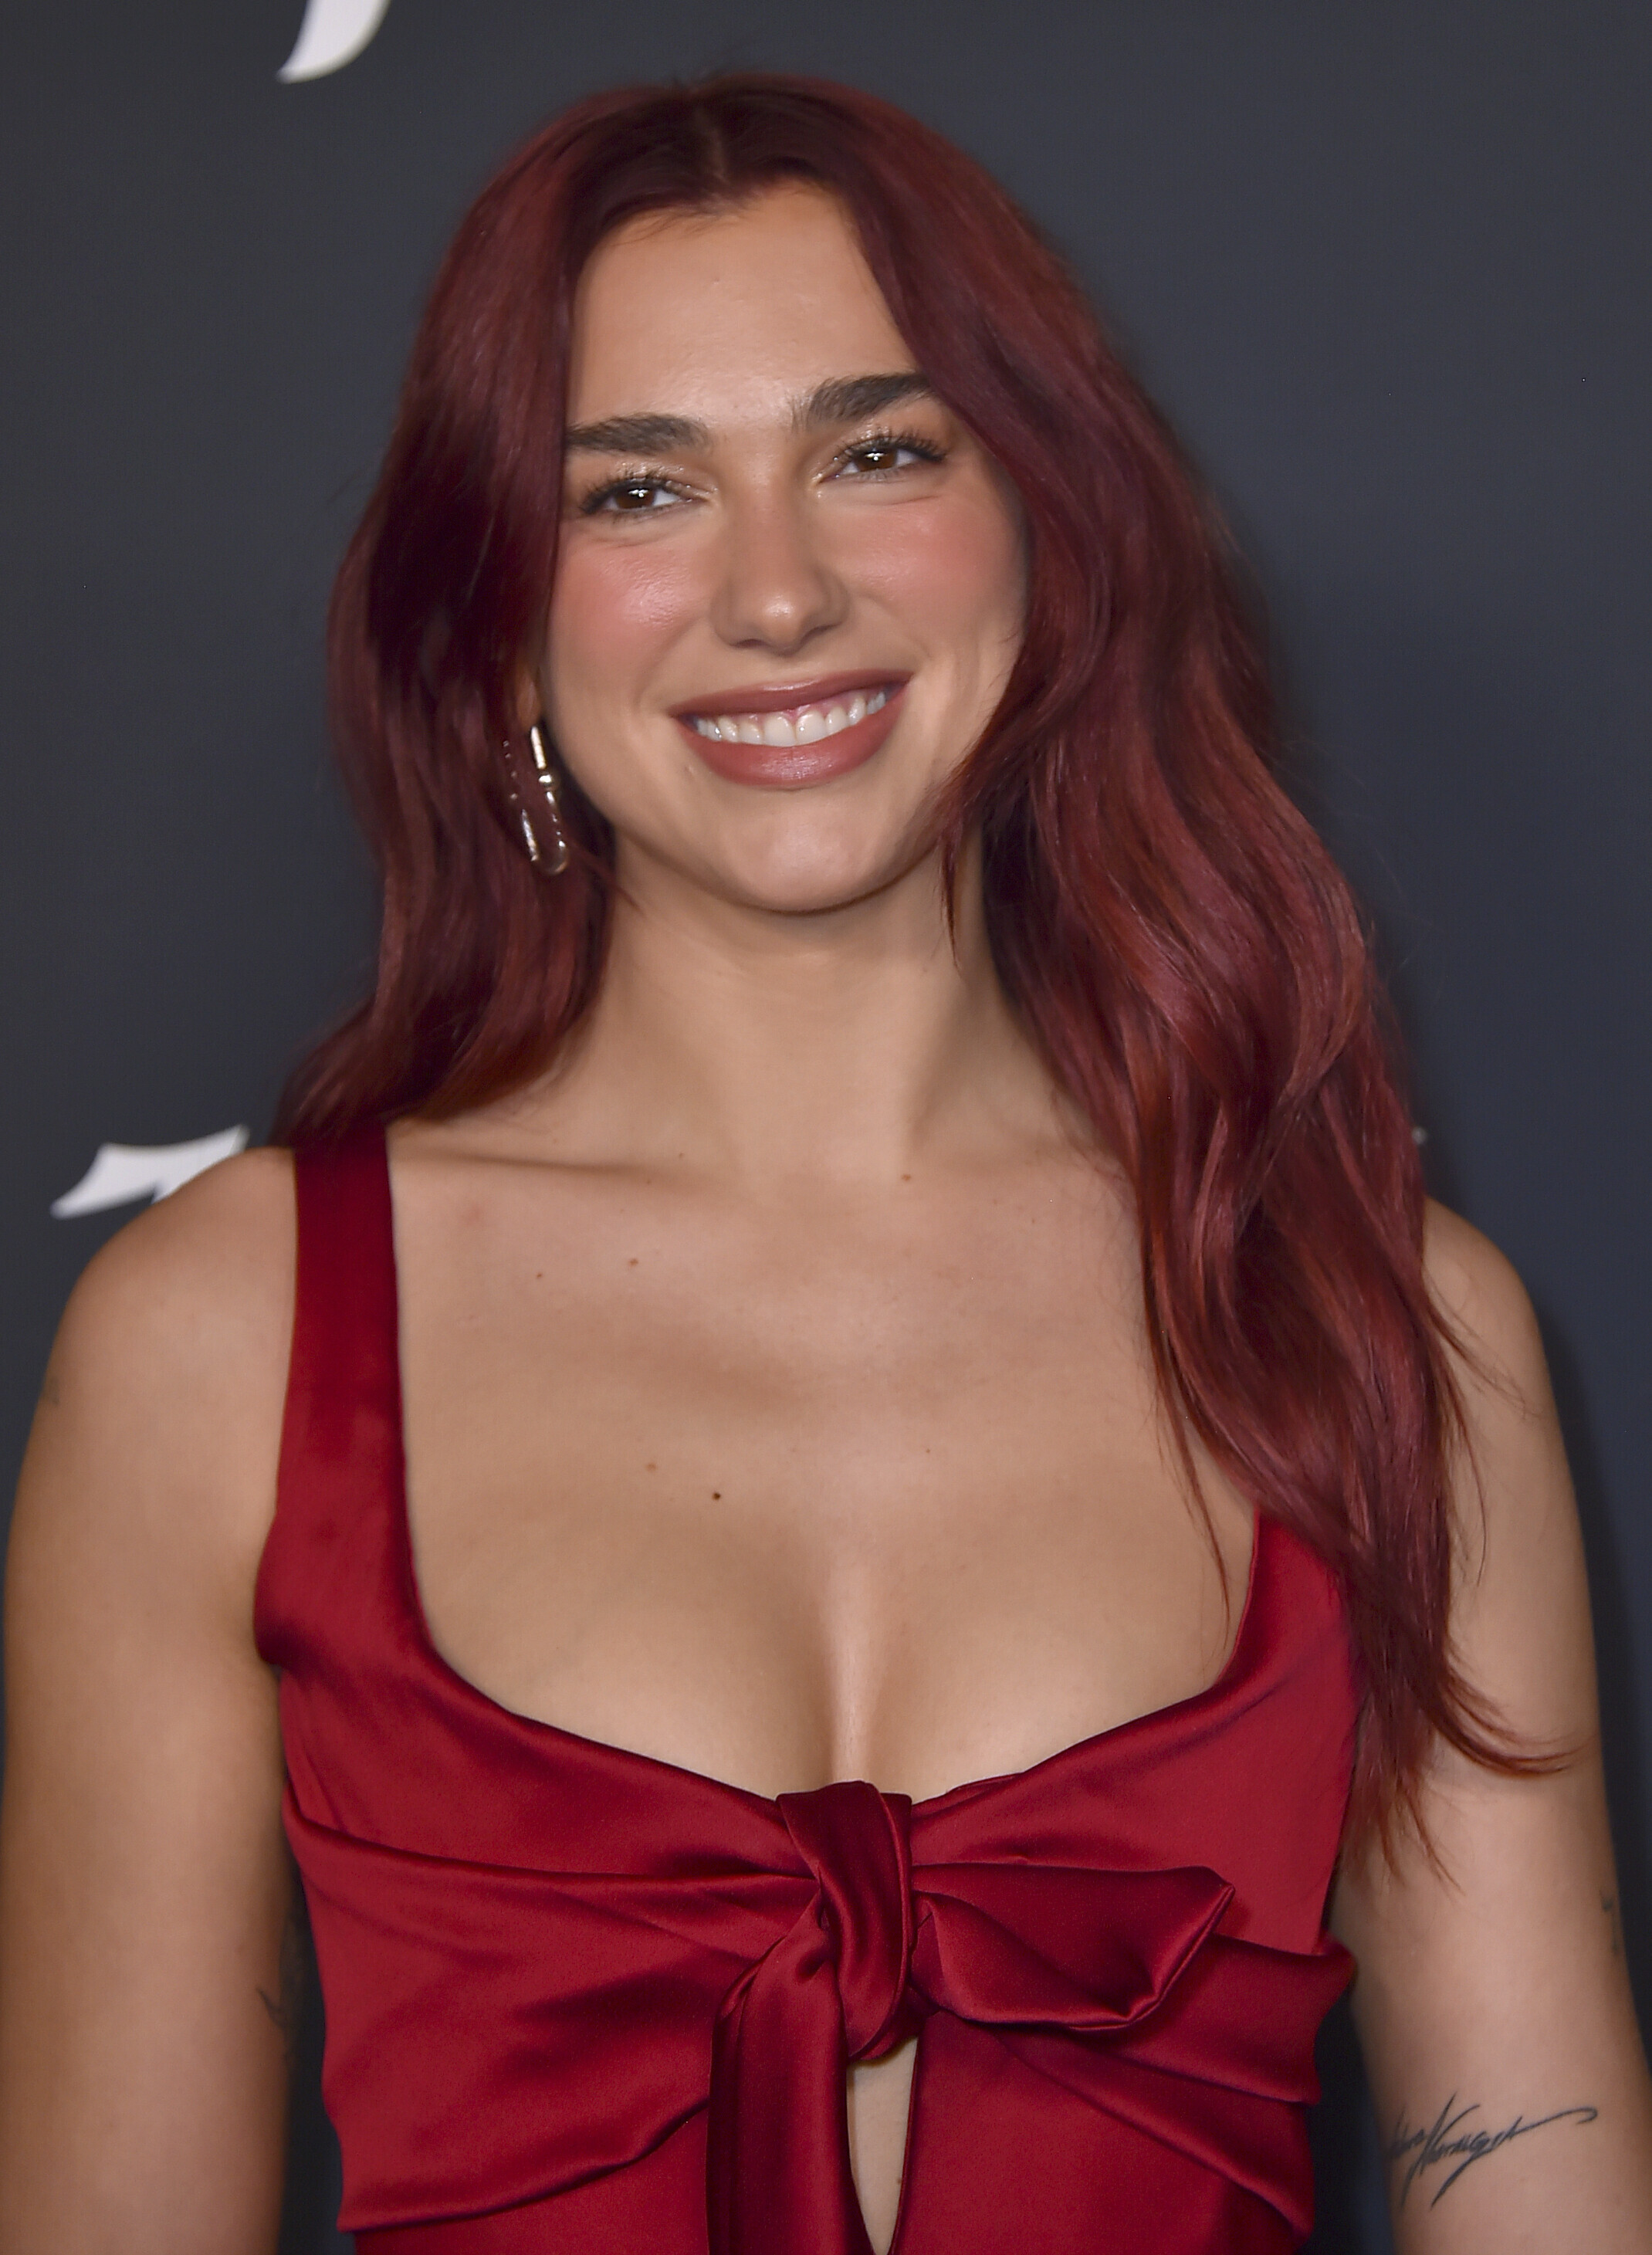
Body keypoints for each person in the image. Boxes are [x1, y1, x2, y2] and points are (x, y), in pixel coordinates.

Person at [2, 70, 1648, 2255]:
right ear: (496, 620)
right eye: (637, 491)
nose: (774, 593)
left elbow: (1538, 2188)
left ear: (1051, 530)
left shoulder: (1385, 1324)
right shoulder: (223, 1348)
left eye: (877, 453)